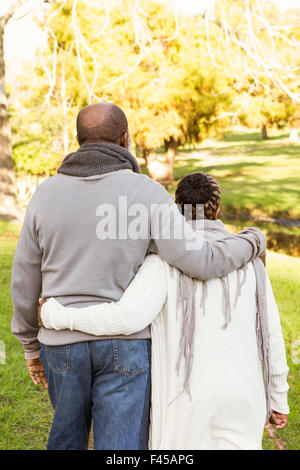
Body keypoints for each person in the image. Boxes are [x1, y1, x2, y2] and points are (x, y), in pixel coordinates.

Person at [11, 103, 266, 450]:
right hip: (124, 345)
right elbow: (202, 261)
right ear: (125, 139)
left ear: (77, 140)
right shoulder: (147, 193)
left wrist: (29, 346)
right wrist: (252, 240)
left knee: (65, 440)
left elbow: (24, 278)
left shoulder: (44, 195)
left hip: (61, 343)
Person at [39, 172, 289, 450]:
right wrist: (278, 398)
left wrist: (57, 316)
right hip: (244, 397)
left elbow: (125, 317)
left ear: (175, 209)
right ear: (217, 209)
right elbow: (272, 335)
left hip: (184, 402)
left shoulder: (162, 264)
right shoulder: (250, 263)